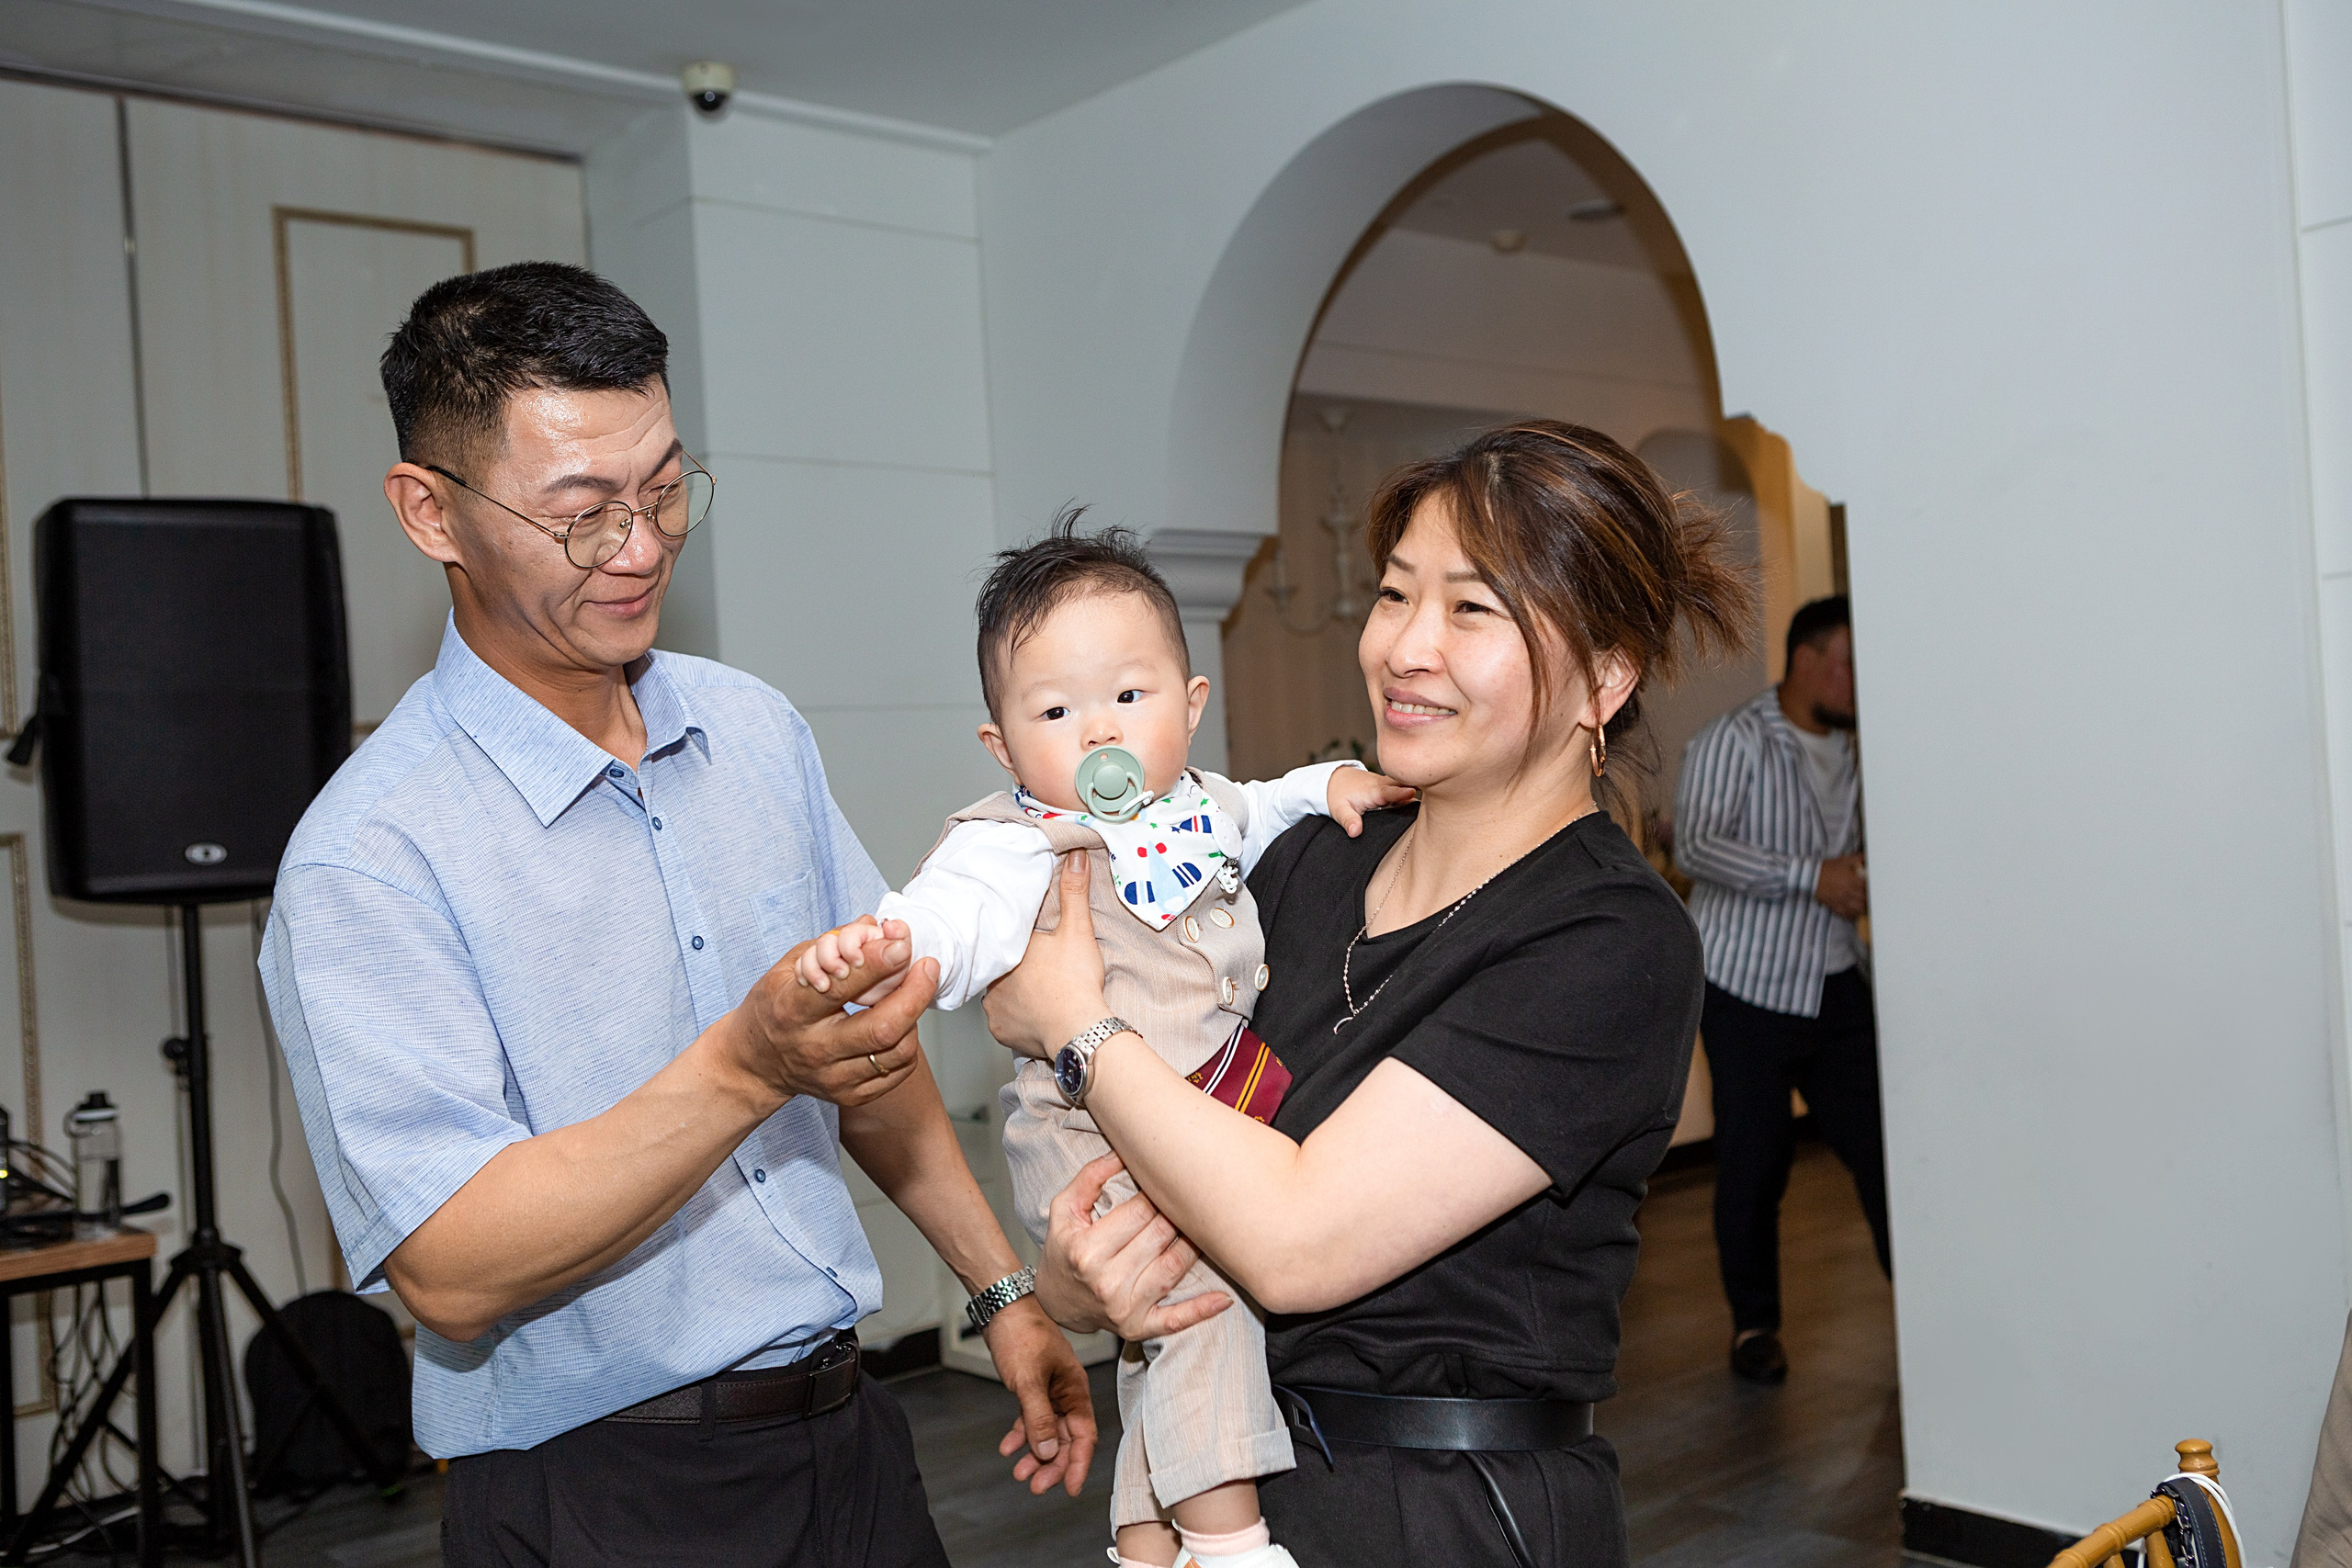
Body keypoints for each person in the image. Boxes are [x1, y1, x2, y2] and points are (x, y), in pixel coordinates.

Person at [259, 261, 1092, 1566]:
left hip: (846, 1431)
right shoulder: (367, 856)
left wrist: (1000, 1287)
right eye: (582, 513)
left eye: (662, 489)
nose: (641, 547)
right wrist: (743, 1065)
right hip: (598, 1488)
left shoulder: (754, 728)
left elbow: (867, 1049)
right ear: (432, 512)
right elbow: (449, 1263)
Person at [978, 421, 1751, 1567]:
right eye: (1395, 596)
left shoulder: (1606, 939)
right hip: (1220, 1469)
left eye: (1472, 610)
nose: (1405, 647)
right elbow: (1146, 1172)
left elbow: (1293, 1243)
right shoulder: (1306, 861)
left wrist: (1073, 1024)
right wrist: (1073, 1284)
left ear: (1604, 675)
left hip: (1444, 1516)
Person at [798, 512, 1410, 1568]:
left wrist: (1332, 785)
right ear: (1000, 745)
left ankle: (1143, 1543)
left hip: (1186, 1109)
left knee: (1155, 1335)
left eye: (1128, 696)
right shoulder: (1015, 839)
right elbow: (954, 911)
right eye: (1054, 709)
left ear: (1190, 703)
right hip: (1087, 1134)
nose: (1098, 733)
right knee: (1205, 1309)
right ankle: (1230, 1547)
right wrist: (903, 950)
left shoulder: (1201, 805)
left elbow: (1266, 808)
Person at [1673, 593, 1891, 1386]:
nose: (1862, 681)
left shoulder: (1868, 747)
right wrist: (1814, 875)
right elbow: (1696, 844)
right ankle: (1754, 1325)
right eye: (1851, 662)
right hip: (1747, 985)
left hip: (1836, 976)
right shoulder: (1736, 738)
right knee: (1754, 1162)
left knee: (1883, 1150)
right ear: (1807, 660)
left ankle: (1926, 1304)